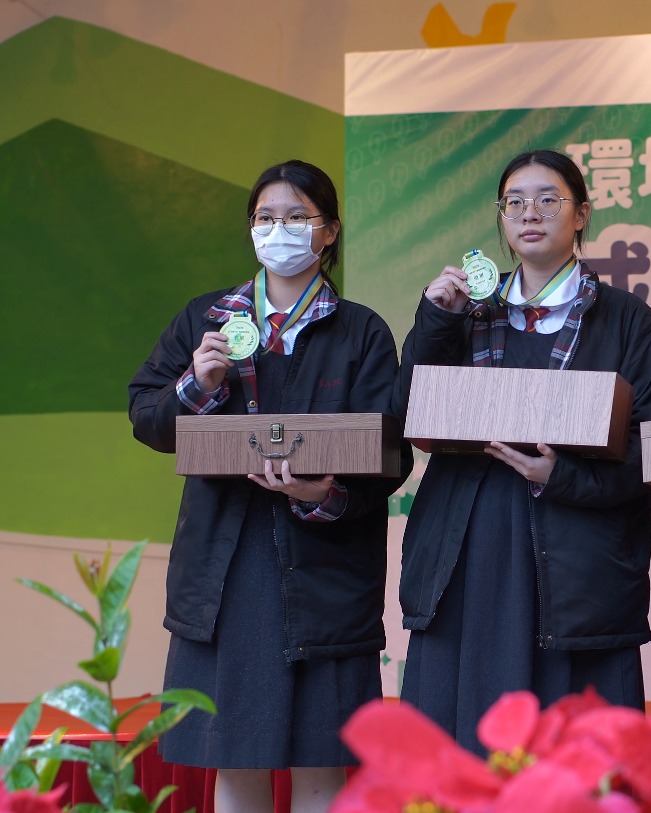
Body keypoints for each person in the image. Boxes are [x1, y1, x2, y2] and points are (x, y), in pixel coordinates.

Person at [128, 160, 408, 813]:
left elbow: (390, 452)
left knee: (322, 766)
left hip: (326, 576)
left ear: (329, 230)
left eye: (296, 217)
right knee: (236, 759)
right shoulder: (205, 318)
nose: (278, 230)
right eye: (265, 218)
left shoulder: (361, 330)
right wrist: (196, 384)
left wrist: (321, 494)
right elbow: (147, 418)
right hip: (225, 571)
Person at [396, 148, 651, 753]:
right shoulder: (464, 311)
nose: (530, 213)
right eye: (515, 202)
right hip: (469, 557)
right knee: (462, 759)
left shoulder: (627, 320)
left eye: (548, 199)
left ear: (581, 215)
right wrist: (436, 321)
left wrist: (562, 476)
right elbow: (408, 410)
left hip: (578, 571)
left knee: (578, 764)